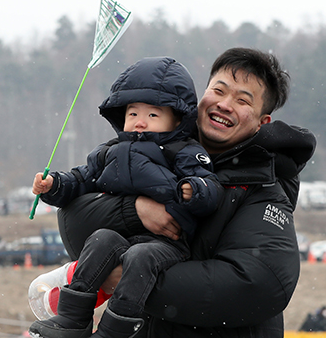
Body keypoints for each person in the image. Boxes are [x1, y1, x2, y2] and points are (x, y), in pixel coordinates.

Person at [45, 47, 316, 337]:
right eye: (219, 90)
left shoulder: (264, 188)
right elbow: (75, 221)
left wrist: (130, 278)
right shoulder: (155, 149)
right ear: (202, 96)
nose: (225, 104)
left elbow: (259, 284)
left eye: (242, 100)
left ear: (262, 122)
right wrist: (134, 209)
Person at [28, 56, 223, 338]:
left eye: (152, 115)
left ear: (178, 119)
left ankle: (115, 330)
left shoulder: (184, 151)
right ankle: (72, 318)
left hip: (168, 243)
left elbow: (211, 186)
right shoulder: (110, 151)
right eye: (133, 114)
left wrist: (196, 190)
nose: (140, 123)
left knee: (140, 257)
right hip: (122, 235)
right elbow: (83, 178)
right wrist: (55, 185)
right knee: (100, 239)